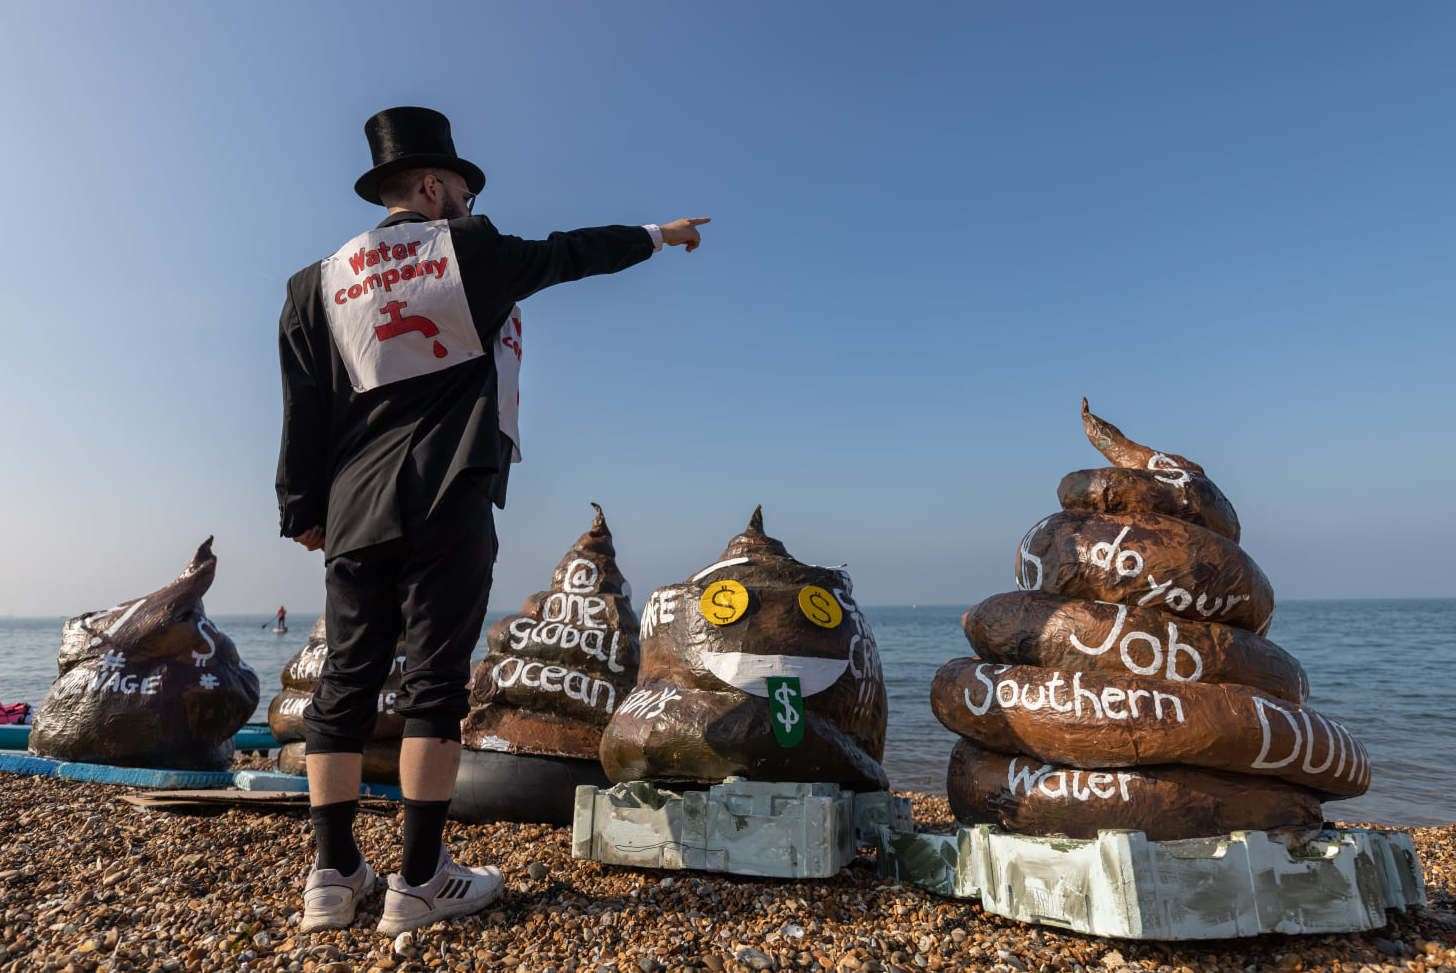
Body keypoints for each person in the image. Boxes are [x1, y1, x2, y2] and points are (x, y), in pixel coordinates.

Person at [274, 106, 708, 935]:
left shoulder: (312, 285)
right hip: (449, 491)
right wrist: (659, 233)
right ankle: (419, 877)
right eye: (464, 192)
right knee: (437, 682)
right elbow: (569, 253)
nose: (470, 205)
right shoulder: (466, 250)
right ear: (434, 187)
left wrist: (301, 507)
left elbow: (300, 405)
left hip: (354, 503)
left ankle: (330, 877)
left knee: (345, 683)